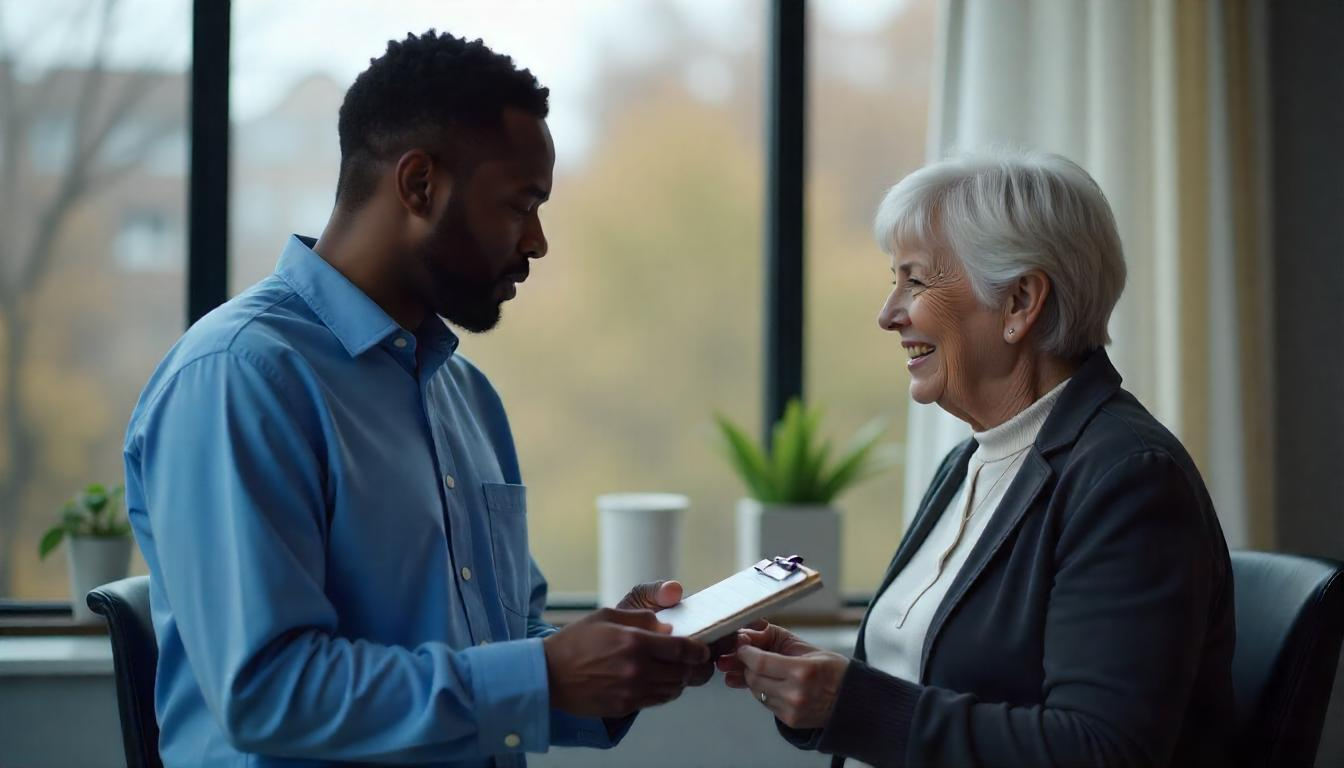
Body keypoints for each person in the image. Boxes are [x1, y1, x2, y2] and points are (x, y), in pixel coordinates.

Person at [123, 31, 711, 767]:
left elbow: (492, 659)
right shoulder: (239, 378)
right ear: (419, 185)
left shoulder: (465, 396)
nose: (537, 242)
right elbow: (268, 694)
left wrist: (601, 661)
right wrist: (543, 672)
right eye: (520, 205)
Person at [717, 150, 1236, 767]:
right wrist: (821, 692)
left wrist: (852, 704)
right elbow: (916, 681)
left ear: (1019, 301)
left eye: (914, 280)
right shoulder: (970, 462)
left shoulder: (1129, 478)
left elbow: (1099, 753)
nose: (888, 315)